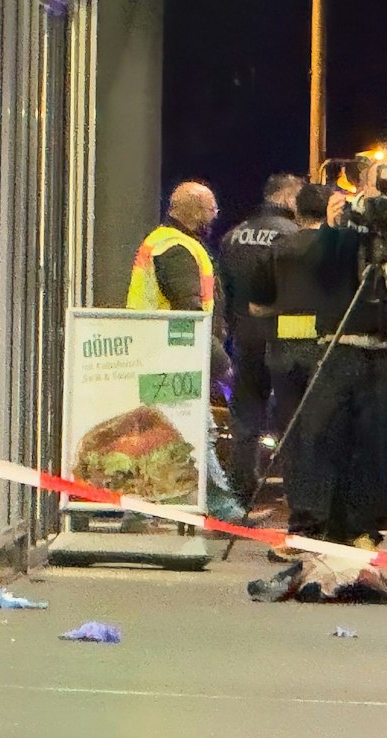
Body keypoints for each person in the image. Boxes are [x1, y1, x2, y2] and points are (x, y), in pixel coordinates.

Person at [259, 159, 387, 554]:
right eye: (376, 185)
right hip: (336, 347)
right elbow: (318, 276)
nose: (383, 193)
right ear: (360, 185)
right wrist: (331, 229)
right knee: (317, 438)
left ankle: (363, 530)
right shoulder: (342, 228)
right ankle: (308, 527)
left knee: (375, 446)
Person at [126, 181, 245, 522]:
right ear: (194, 211)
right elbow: (189, 310)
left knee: (161, 432)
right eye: (212, 210)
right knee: (197, 428)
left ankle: (137, 514)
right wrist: (221, 362)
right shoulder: (176, 248)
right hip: (172, 352)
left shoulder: (168, 243)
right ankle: (223, 509)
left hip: (158, 349)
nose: (214, 216)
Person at [247, 181, 344, 557]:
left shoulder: (276, 251)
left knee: (295, 438)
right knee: (331, 436)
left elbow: (257, 307)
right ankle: (331, 522)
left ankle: (302, 521)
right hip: (331, 352)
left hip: (285, 354)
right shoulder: (342, 251)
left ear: (298, 212)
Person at [219, 173, 303, 499]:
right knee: (291, 418)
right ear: (285, 198)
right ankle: (297, 496)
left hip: (244, 338)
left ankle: (241, 490)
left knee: (245, 418)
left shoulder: (232, 236)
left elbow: (223, 292)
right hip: (285, 339)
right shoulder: (294, 237)